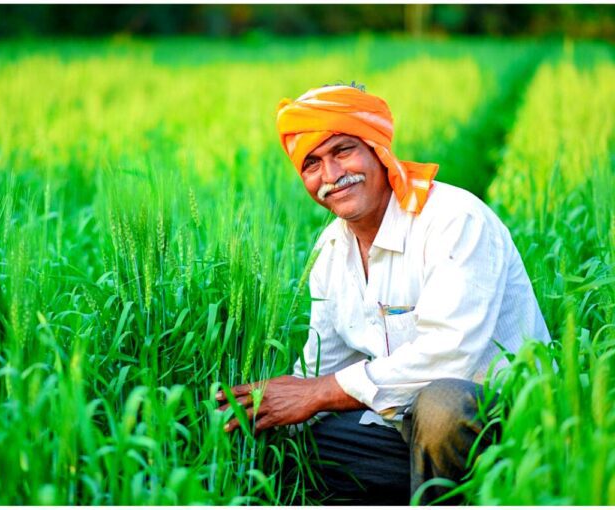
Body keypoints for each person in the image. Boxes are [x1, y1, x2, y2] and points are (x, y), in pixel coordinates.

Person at [215, 84, 551, 504]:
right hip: (403, 430)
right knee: (293, 450)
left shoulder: (452, 219)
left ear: (378, 150)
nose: (331, 176)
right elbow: (326, 364)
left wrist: (317, 393)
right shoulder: (330, 253)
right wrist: (263, 409)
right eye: (312, 164)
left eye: (343, 151)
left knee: (442, 404)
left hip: (503, 430)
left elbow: (451, 357)